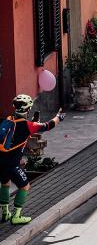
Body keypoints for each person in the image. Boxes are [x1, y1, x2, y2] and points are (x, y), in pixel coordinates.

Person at [0, 95, 64, 225]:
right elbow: (48, 125)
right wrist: (59, 117)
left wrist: (34, 123)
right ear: (28, 109)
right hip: (12, 164)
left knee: (5, 184)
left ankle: (5, 213)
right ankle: (16, 216)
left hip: (1, 162)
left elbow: (17, 134)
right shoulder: (28, 125)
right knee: (25, 187)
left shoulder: (7, 120)